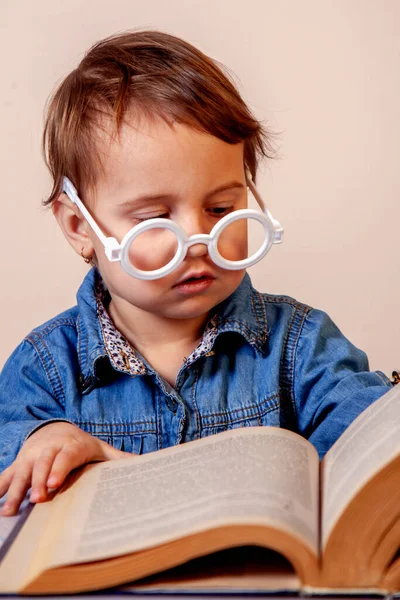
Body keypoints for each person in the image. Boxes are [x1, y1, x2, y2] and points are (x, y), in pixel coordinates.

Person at [0, 30, 392, 517]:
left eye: (220, 207)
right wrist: (41, 439)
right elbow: (9, 466)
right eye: (153, 218)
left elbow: (371, 444)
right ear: (81, 226)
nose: (198, 240)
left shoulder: (302, 348)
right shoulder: (46, 371)